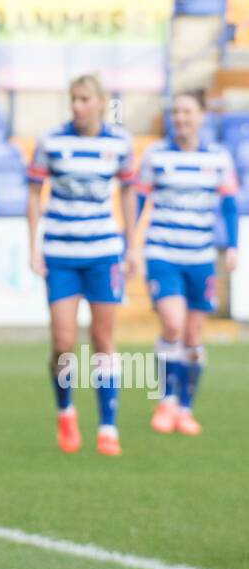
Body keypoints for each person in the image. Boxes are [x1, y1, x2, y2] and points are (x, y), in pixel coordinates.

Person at [26, 76, 136, 457]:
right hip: (61, 253)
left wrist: (131, 246)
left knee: (104, 340)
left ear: (102, 102)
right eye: (73, 99)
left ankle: (108, 426)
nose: (77, 106)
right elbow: (33, 192)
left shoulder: (120, 143)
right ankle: (66, 410)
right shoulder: (51, 141)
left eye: (84, 99)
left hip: (103, 252)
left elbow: (128, 191)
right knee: (64, 343)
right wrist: (33, 244)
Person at [134, 92, 239, 436]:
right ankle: (165, 401)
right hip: (163, 253)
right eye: (175, 112)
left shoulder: (219, 158)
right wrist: (132, 244)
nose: (180, 118)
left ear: (202, 116)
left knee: (194, 335)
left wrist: (234, 246)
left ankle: (185, 408)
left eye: (187, 112)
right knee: (174, 325)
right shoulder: (155, 155)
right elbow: (137, 202)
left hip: (201, 257)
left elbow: (228, 206)